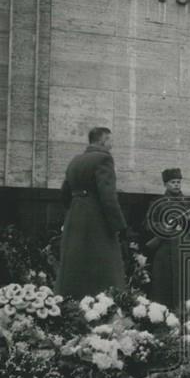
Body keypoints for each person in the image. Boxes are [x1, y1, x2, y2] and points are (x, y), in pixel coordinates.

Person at [55, 127, 127, 299]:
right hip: (96, 218)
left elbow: (64, 193)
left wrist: (74, 211)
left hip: (75, 217)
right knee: (102, 264)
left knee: (75, 264)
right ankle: (102, 304)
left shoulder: (75, 161)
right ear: (102, 140)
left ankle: (71, 302)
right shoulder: (104, 159)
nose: (112, 144)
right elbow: (108, 196)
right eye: (110, 140)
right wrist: (119, 225)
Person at [145, 168, 190, 313]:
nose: (176, 185)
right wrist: (165, 226)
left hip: (186, 250)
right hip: (165, 250)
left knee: (187, 286)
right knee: (164, 288)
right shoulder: (157, 203)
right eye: (172, 182)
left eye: (178, 182)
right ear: (165, 184)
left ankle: (187, 316)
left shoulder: (189, 204)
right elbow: (147, 225)